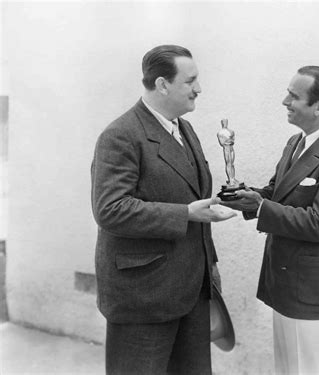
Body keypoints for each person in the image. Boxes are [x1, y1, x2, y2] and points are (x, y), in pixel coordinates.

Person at [91, 44, 235, 375]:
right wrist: (185, 213)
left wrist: (210, 267)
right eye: (191, 81)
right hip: (143, 298)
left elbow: (193, 196)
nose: (199, 89)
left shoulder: (183, 128)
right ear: (162, 84)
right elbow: (111, 209)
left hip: (192, 292)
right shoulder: (120, 135)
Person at [223, 66, 319, 374]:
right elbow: (276, 194)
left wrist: (261, 207)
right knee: (288, 368)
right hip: (287, 284)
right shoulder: (296, 143)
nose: (285, 101)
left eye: (294, 96)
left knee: (314, 370)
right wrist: (240, 196)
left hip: (314, 292)